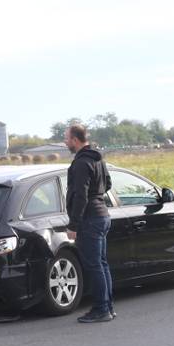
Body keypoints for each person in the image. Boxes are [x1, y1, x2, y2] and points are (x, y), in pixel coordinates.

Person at [64, 124, 114, 323]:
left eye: (66, 138)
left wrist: (73, 225)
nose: (65, 142)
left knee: (94, 266)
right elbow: (108, 183)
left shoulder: (82, 163)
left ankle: (101, 310)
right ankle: (108, 307)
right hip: (102, 216)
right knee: (101, 264)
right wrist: (98, 194)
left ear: (75, 140)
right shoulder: (97, 158)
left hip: (90, 219)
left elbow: (80, 196)